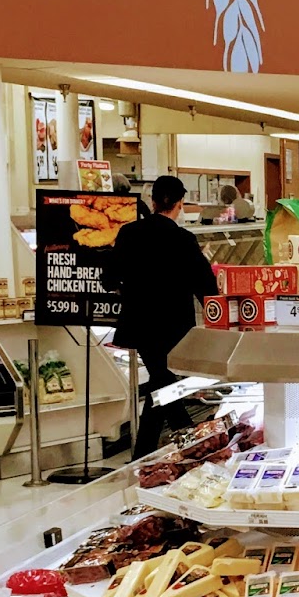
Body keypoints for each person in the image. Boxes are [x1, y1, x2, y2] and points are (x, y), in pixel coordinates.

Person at [111, 174, 218, 457]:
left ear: (152, 200)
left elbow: (108, 278)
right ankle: (191, 442)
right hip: (175, 329)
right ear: (180, 203)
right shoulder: (184, 239)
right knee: (164, 383)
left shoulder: (128, 233)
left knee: (161, 382)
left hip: (139, 326)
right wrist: (218, 318)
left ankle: (147, 453)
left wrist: (129, 288)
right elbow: (206, 286)